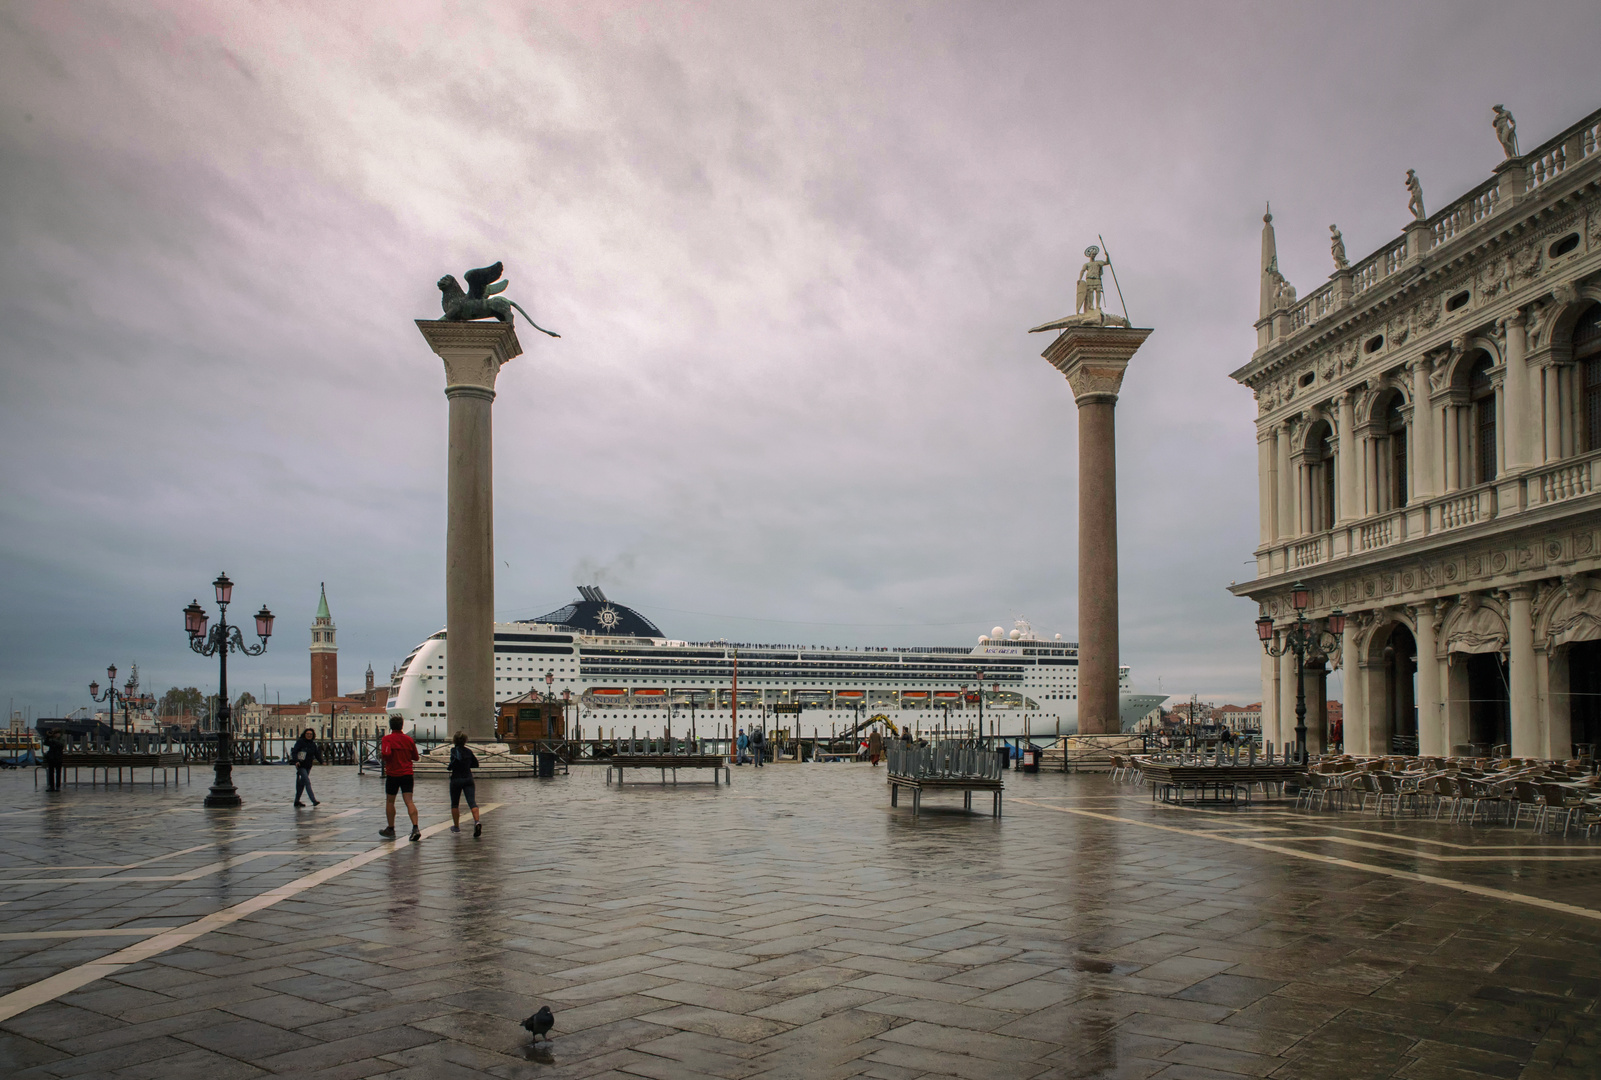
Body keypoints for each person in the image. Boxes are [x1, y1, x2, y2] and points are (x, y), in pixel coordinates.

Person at [379, 715, 420, 841]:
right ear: (402, 725)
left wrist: (384, 758)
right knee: (409, 801)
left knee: (390, 801)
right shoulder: (408, 740)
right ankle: (415, 827)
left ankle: (391, 828)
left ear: (391, 726)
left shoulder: (387, 739)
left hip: (393, 774)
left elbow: (385, 754)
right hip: (407, 774)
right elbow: (416, 757)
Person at [447, 732, 482, 837]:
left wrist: (449, 767)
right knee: (472, 802)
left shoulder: (454, 751)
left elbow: (452, 764)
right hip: (468, 778)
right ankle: (476, 821)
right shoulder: (468, 751)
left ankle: (456, 827)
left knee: (455, 803)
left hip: (456, 779)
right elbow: (475, 764)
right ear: (465, 741)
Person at [291, 728, 323, 807]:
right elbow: (294, 752)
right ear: (305, 734)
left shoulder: (312, 744)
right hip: (300, 765)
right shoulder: (300, 742)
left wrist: (322, 761)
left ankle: (296, 801)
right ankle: (313, 800)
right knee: (307, 782)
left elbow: (316, 754)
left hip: (308, 765)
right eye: (307, 734)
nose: (309, 735)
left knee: (301, 784)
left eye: (311, 734)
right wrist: (296, 761)